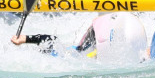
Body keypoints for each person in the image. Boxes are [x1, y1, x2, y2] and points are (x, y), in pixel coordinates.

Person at [12, 13, 147, 63]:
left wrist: (25, 39)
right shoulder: (72, 57)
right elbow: (52, 40)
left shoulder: (74, 56)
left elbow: (51, 40)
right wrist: (25, 39)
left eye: (91, 32)